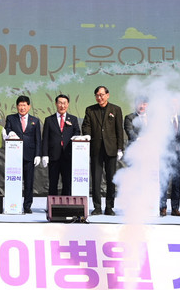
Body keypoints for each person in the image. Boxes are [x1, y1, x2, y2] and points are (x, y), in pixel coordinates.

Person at [81, 86, 124, 215]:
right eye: (97, 95)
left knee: (111, 179)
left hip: (111, 149)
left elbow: (119, 130)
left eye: (102, 95)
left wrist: (120, 148)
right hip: (96, 149)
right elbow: (86, 125)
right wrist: (87, 135)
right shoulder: (90, 110)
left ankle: (109, 207)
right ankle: (97, 207)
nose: (100, 97)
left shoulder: (116, 109)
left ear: (107, 95)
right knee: (96, 180)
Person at [4, 95, 42, 214]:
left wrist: (38, 155)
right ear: (17, 106)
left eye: (24, 105)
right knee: (14, 181)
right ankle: (12, 204)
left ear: (29, 106)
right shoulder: (11, 118)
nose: (22, 108)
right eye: (20, 105)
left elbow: (38, 139)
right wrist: (10, 133)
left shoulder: (35, 120)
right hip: (14, 155)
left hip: (29, 155)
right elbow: (7, 130)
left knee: (29, 182)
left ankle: (27, 206)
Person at [41, 94, 81, 196]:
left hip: (68, 155)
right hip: (53, 155)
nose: (62, 106)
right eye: (60, 103)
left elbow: (77, 132)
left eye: (64, 103)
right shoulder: (49, 120)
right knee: (53, 182)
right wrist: (44, 154)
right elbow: (45, 138)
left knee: (67, 182)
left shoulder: (73, 119)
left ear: (68, 104)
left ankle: (66, 202)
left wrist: (75, 137)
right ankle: (52, 203)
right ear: (56, 104)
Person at [161, 105, 180, 217]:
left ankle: (175, 208)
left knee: (177, 183)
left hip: (179, 156)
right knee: (164, 182)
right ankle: (162, 207)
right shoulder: (162, 120)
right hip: (166, 155)